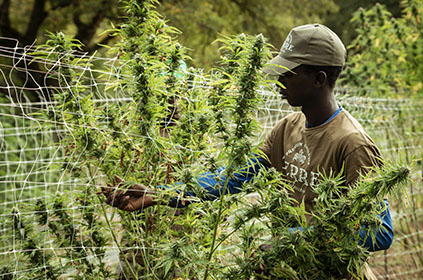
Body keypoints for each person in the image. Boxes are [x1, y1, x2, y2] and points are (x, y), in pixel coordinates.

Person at [102, 24, 392, 279]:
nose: (277, 81)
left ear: (318, 79)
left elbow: (378, 233)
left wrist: (295, 239)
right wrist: (158, 195)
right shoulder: (286, 129)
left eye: (288, 73)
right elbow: (230, 177)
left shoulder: (353, 144)